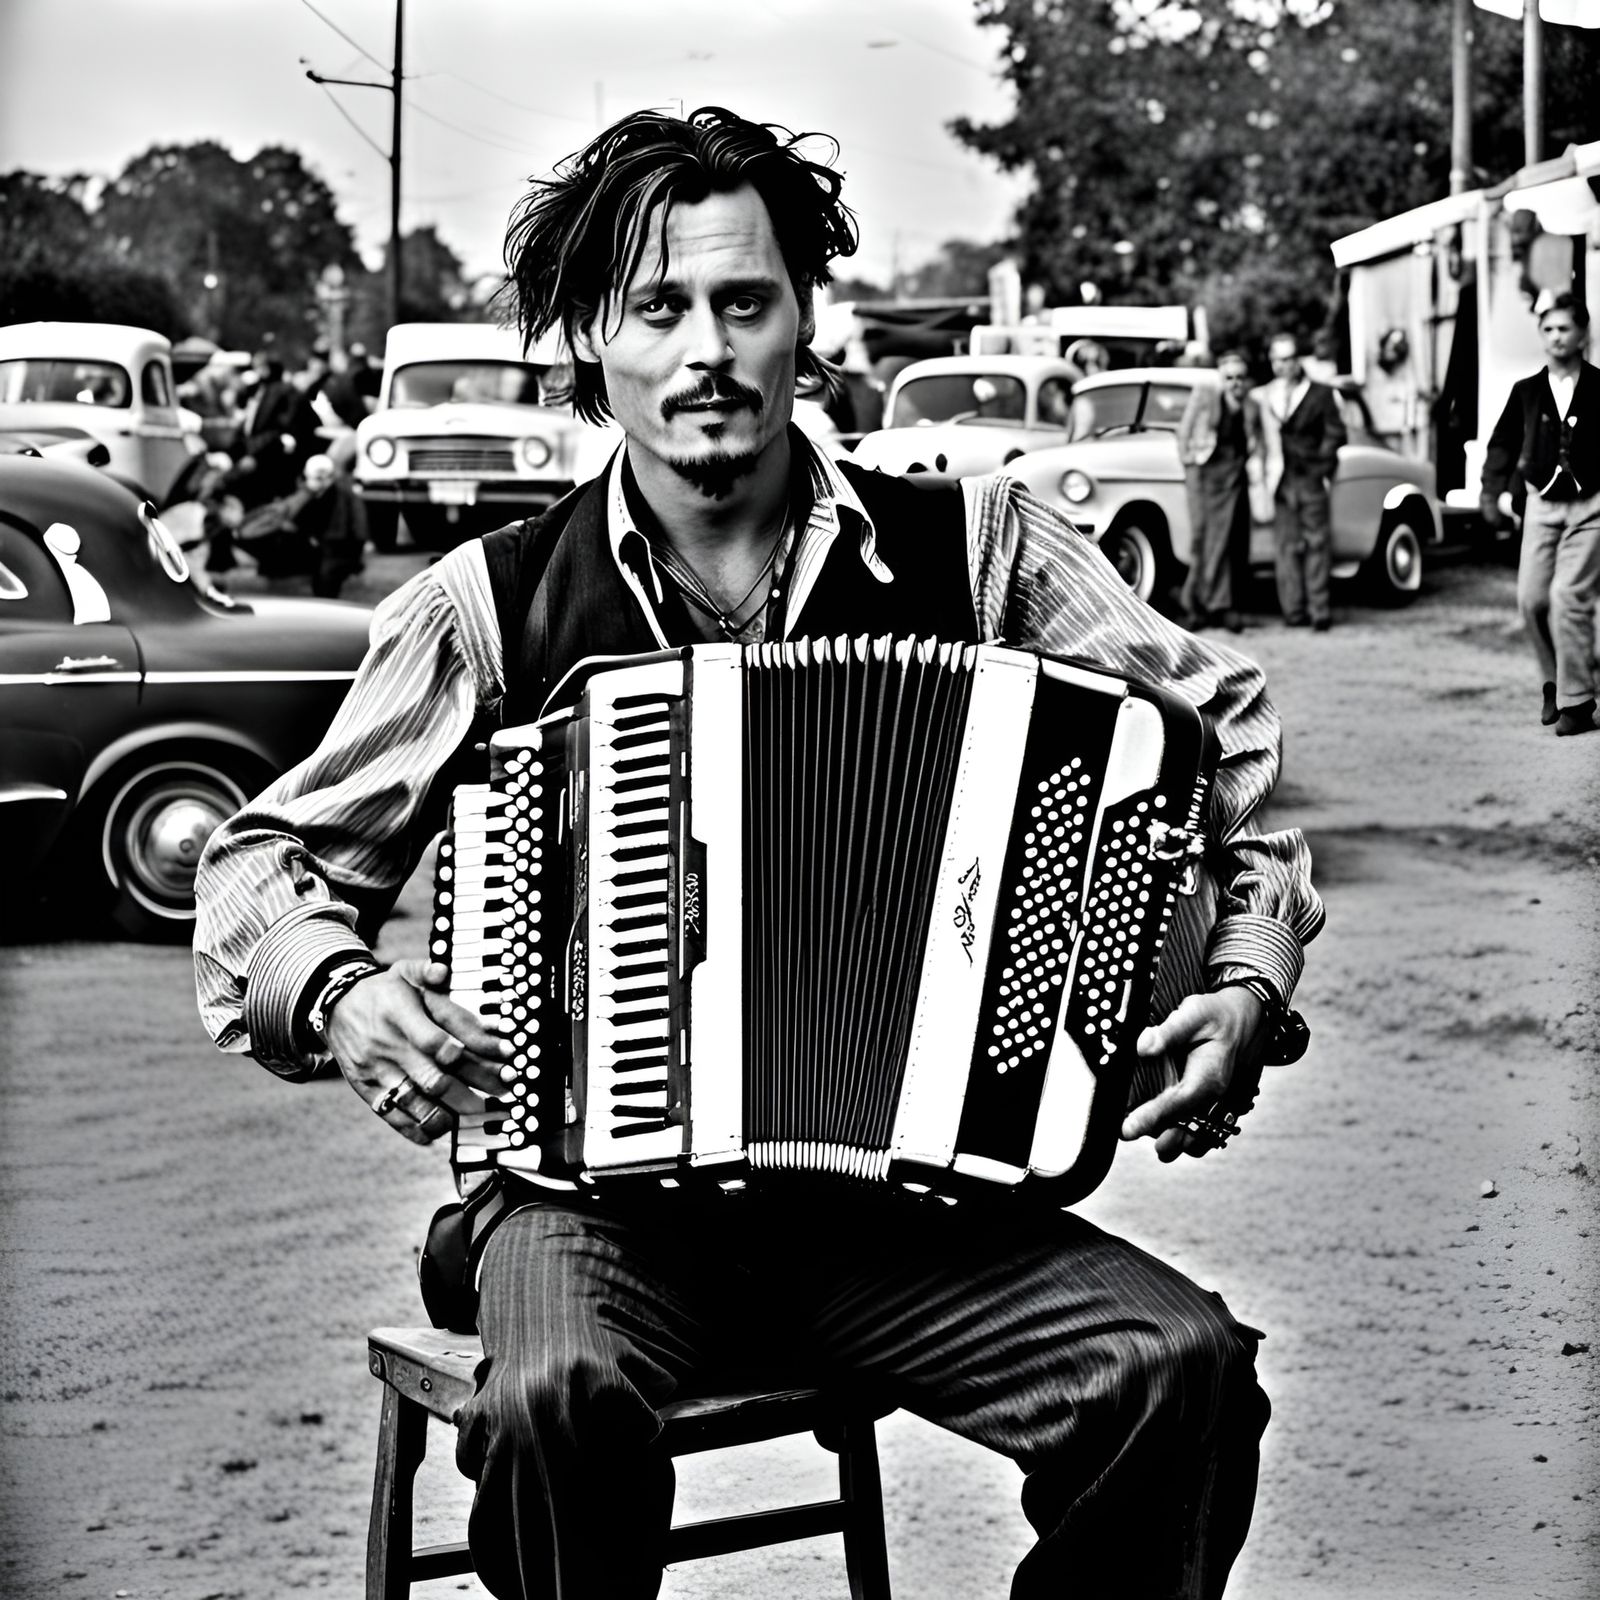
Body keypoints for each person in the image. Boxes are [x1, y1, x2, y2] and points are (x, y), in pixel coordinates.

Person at [192, 106, 1324, 1600]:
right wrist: (338, 993)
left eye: (744, 301)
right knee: (546, 1407)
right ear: (591, 339)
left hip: (900, 1216)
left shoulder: (980, 548)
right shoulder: (488, 607)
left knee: (1182, 1373)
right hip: (595, 1218)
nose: (705, 352)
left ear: (806, 319)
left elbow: (1227, 740)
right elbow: (254, 868)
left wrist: (1242, 981)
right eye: (657, 309)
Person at [1480, 291, 1599, 737]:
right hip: (1541, 505)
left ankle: (1578, 702)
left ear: (1582, 334)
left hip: (1591, 508)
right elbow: (1502, 444)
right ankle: (1554, 681)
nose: (1555, 337)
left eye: (1564, 328)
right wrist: (1492, 494)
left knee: (1569, 597)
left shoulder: (1599, 386)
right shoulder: (1526, 390)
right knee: (1531, 600)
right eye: (1547, 329)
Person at [1257, 333, 1347, 631]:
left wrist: (1321, 468)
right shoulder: (1265, 395)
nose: (1282, 365)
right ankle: (1293, 611)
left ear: (1298, 361)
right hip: (1280, 480)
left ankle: (1319, 610)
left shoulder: (1321, 393)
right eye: (1277, 359)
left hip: (1310, 478)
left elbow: (1335, 434)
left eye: (1288, 359)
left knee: (1317, 544)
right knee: (1286, 547)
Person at [1176, 352, 1263, 633]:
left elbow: (1255, 442)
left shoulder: (1251, 406)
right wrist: (1189, 463)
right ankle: (1195, 604)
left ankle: (1220, 606)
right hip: (1204, 477)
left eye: (1240, 378)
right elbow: (1184, 433)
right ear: (1220, 378)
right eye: (1229, 378)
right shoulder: (1205, 398)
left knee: (1228, 544)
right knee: (1202, 541)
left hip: (1233, 481)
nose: (1234, 383)